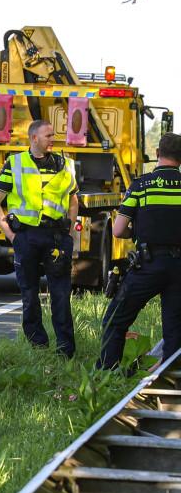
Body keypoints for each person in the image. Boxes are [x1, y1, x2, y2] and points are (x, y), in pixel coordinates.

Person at [0, 119, 79, 357]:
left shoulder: (66, 164)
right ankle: (38, 346)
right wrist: (11, 235)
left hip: (57, 237)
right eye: (48, 135)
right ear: (34, 138)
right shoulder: (15, 163)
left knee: (60, 294)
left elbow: (73, 199)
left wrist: (69, 234)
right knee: (29, 294)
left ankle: (65, 350)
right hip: (26, 236)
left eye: (53, 135)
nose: (53, 139)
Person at [97, 132, 181, 370]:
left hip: (148, 265)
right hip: (179, 267)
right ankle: (170, 372)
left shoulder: (141, 185)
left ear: (157, 155)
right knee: (175, 327)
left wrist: (137, 233)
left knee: (116, 319)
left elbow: (118, 230)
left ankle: (107, 372)